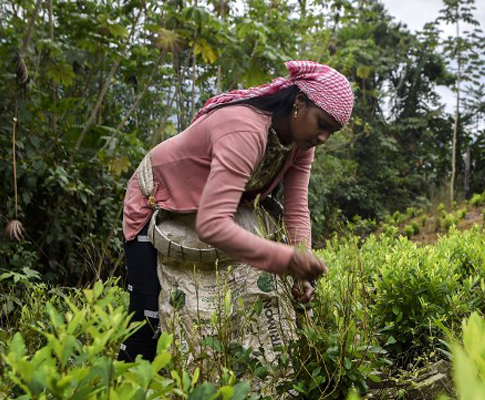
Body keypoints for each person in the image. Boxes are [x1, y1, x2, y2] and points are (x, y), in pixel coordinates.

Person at [117, 60, 354, 362]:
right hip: (157, 204)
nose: (323, 137)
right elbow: (213, 225)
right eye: (321, 124)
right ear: (299, 101)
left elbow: (296, 209)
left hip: (205, 210)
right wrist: (287, 260)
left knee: (222, 320)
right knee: (149, 324)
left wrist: (301, 268)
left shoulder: (300, 146)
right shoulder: (244, 130)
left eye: (331, 132)